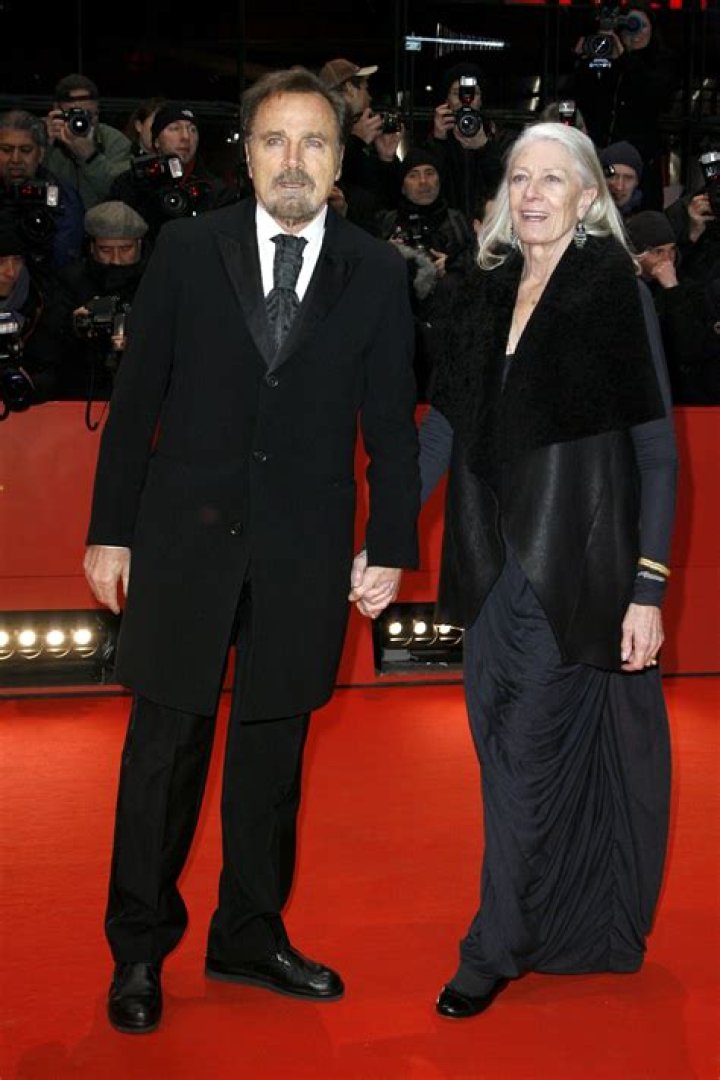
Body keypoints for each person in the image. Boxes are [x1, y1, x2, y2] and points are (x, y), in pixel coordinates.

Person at [83, 66, 420, 1035]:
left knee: (272, 758)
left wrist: (390, 542)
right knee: (163, 756)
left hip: (304, 552)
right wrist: (109, 530)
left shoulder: (377, 269)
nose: (293, 160)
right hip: (180, 544)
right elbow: (136, 401)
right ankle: (139, 950)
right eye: (276, 140)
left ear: (340, 158)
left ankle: (248, 933)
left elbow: (391, 424)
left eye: (314, 142)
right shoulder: (188, 250)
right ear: (248, 151)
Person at [419, 121, 677, 1018]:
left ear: (587, 197)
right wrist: (383, 534)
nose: (532, 194)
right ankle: (562, 921)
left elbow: (658, 454)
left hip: (573, 573)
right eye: (519, 178)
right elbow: (443, 431)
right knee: (500, 755)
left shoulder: (613, 292)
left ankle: (491, 947)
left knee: (525, 756)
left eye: (553, 179)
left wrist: (648, 587)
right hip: (488, 566)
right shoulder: (481, 289)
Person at [569, 1, 678, 210]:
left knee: (642, 215)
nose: (636, 33)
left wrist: (624, 60)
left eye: (642, 26)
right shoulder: (606, 56)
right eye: (629, 26)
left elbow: (657, 97)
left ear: (653, 29)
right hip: (604, 154)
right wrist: (582, 61)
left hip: (642, 159)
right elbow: (583, 98)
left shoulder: (661, 62)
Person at [57, 200, 149, 401]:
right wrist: (76, 329)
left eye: (125, 249)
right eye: (106, 250)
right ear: (91, 248)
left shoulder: (156, 282)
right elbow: (53, 350)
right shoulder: (71, 282)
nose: (116, 259)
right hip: (85, 387)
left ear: (140, 245)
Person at [110, 102, 239, 246]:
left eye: (192, 130)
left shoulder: (215, 190)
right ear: (156, 141)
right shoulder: (130, 184)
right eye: (174, 128)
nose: (185, 137)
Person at [318, 58, 403, 229]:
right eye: (365, 88)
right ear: (350, 89)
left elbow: (386, 198)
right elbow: (331, 179)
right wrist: (357, 140)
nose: (370, 97)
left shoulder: (362, 133)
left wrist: (386, 160)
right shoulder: (320, 131)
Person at [0, 212, 69, 415]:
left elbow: (59, 368)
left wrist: (32, 385)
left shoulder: (40, 297)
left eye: (17, 260)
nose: (11, 271)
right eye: (1, 262)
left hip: (31, 418)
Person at [0, 108, 85, 269]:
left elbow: (66, 256)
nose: (15, 159)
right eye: (6, 150)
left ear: (40, 154)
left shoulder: (61, 193)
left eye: (26, 150)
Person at [426, 61, 503, 223]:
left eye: (473, 93)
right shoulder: (435, 139)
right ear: (446, 100)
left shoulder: (498, 137)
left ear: (480, 100)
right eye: (457, 93)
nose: (465, 100)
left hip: (487, 226)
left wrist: (484, 148)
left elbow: (504, 188)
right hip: (448, 228)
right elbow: (427, 190)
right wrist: (438, 141)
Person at [44, 73, 132, 210]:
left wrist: (91, 157)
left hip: (101, 220)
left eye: (88, 115)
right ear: (57, 112)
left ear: (97, 112)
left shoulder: (115, 141)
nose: (80, 122)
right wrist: (44, 146)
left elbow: (123, 192)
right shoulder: (40, 136)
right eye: (73, 114)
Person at [599, 140, 644, 219]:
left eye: (628, 178)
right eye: (612, 176)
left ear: (637, 182)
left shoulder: (645, 221)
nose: (619, 187)